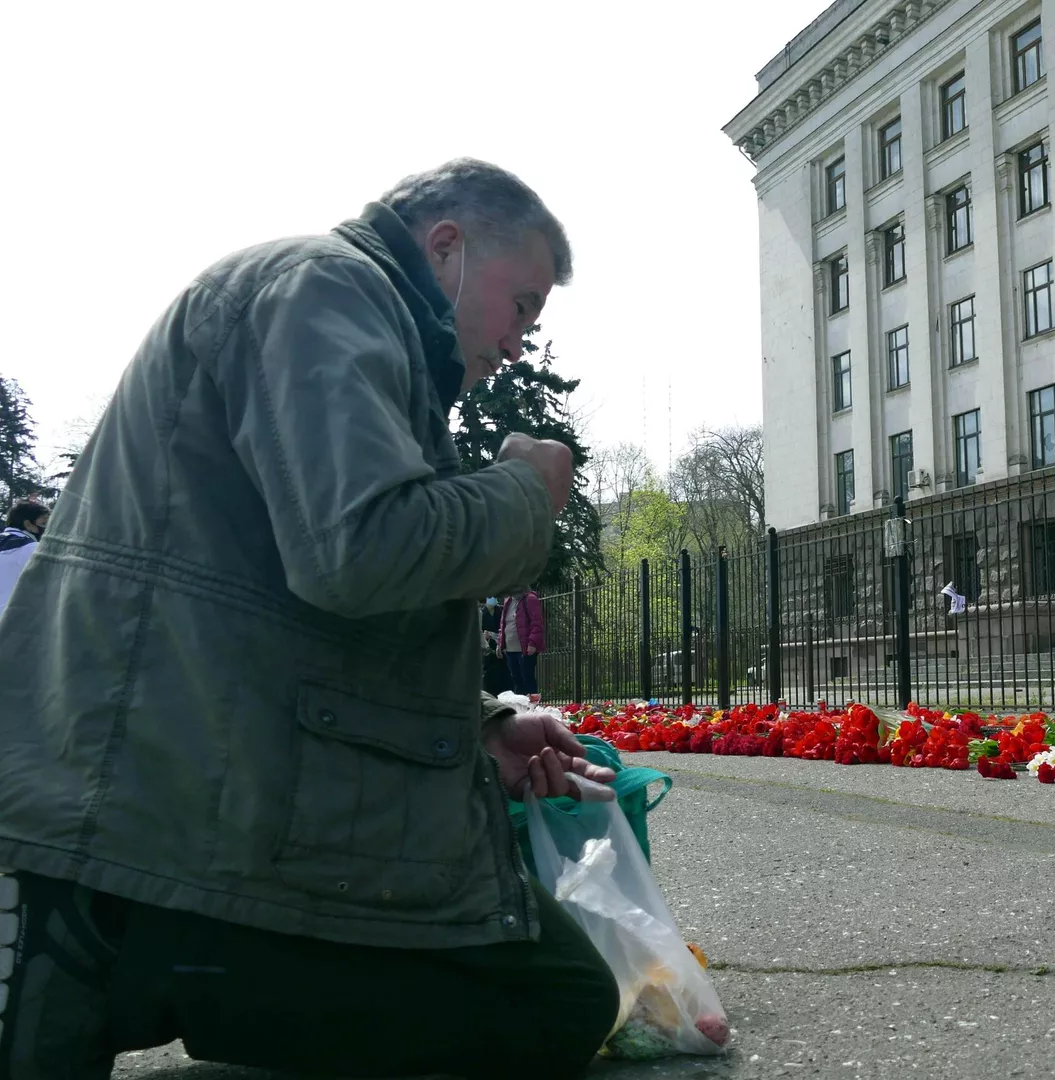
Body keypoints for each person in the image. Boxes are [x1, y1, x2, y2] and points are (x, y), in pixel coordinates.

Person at [0, 159, 622, 1080]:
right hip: (161, 794)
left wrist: (478, 725)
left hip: (202, 776)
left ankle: (131, 955)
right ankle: (110, 941)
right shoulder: (324, 289)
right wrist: (526, 493)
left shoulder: (360, 323)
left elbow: (300, 605)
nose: (523, 339)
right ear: (446, 245)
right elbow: (359, 547)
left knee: (557, 997)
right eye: (522, 304)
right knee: (550, 999)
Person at [0, 498, 49, 611]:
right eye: (44, 523)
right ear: (28, 524)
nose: (47, 528)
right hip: (14, 621)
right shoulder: (35, 550)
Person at [500, 585, 545, 697]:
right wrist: (500, 643)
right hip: (510, 649)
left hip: (525, 649)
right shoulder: (508, 601)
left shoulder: (530, 599)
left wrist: (532, 643)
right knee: (516, 680)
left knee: (527, 679)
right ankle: (521, 708)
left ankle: (533, 707)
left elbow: (537, 623)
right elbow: (503, 624)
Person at [480, 597, 513, 696]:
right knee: (490, 678)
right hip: (488, 653)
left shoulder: (501, 612)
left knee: (505, 676)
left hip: (502, 650)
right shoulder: (482, 614)